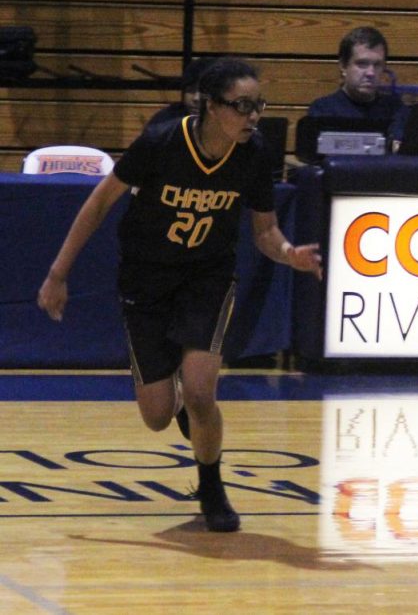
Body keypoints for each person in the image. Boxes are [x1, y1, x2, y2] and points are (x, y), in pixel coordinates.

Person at [36, 57, 323, 532]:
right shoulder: (163, 142)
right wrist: (58, 273)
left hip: (206, 278)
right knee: (156, 416)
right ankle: (191, 416)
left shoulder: (254, 154)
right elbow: (100, 201)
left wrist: (288, 252)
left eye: (258, 105)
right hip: (145, 279)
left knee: (199, 389)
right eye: (242, 106)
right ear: (211, 106)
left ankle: (211, 486)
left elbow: (265, 231)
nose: (253, 116)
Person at [306, 26, 409, 140]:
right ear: (343, 66)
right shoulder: (323, 110)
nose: (371, 73)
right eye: (362, 63)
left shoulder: (395, 109)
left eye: (377, 65)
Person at [147, 57, 217, 128]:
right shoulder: (164, 122)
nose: (196, 98)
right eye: (190, 91)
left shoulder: (226, 121)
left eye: (203, 92)